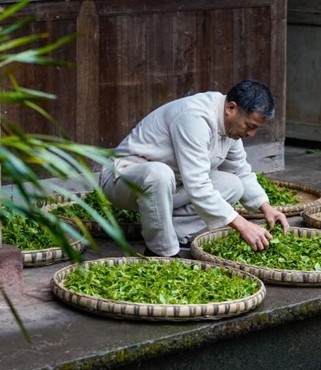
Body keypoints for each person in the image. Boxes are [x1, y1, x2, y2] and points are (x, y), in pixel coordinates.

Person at [99, 79, 290, 257]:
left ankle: (170, 233)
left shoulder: (231, 128)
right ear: (231, 108)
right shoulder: (195, 117)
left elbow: (240, 170)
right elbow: (197, 183)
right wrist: (242, 224)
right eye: (249, 126)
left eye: (256, 128)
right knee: (158, 174)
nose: (251, 133)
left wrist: (266, 207)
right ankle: (160, 251)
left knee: (233, 185)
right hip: (123, 179)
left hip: (173, 185)